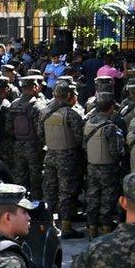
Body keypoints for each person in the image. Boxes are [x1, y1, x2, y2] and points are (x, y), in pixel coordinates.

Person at [38, 83, 84, 236]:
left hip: (50, 154)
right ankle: (66, 227)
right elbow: (79, 138)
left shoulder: (44, 112)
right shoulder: (71, 114)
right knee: (66, 191)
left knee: (50, 190)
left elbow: (40, 135)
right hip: (68, 157)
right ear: (70, 96)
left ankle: (49, 224)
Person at [83, 91, 125, 238]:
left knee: (93, 198)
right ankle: (106, 229)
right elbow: (116, 151)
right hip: (108, 168)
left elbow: (84, 145)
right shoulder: (110, 127)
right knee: (108, 199)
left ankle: (92, 229)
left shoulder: (89, 122)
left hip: (92, 166)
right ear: (112, 107)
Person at [6, 76, 47, 197]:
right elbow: (41, 131)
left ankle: (19, 204)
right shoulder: (38, 106)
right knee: (36, 179)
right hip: (35, 147)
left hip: (18, 145)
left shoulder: (13, 104)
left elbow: (8, 128)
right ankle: (36, 206)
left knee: (20, 178)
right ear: (35, 87)